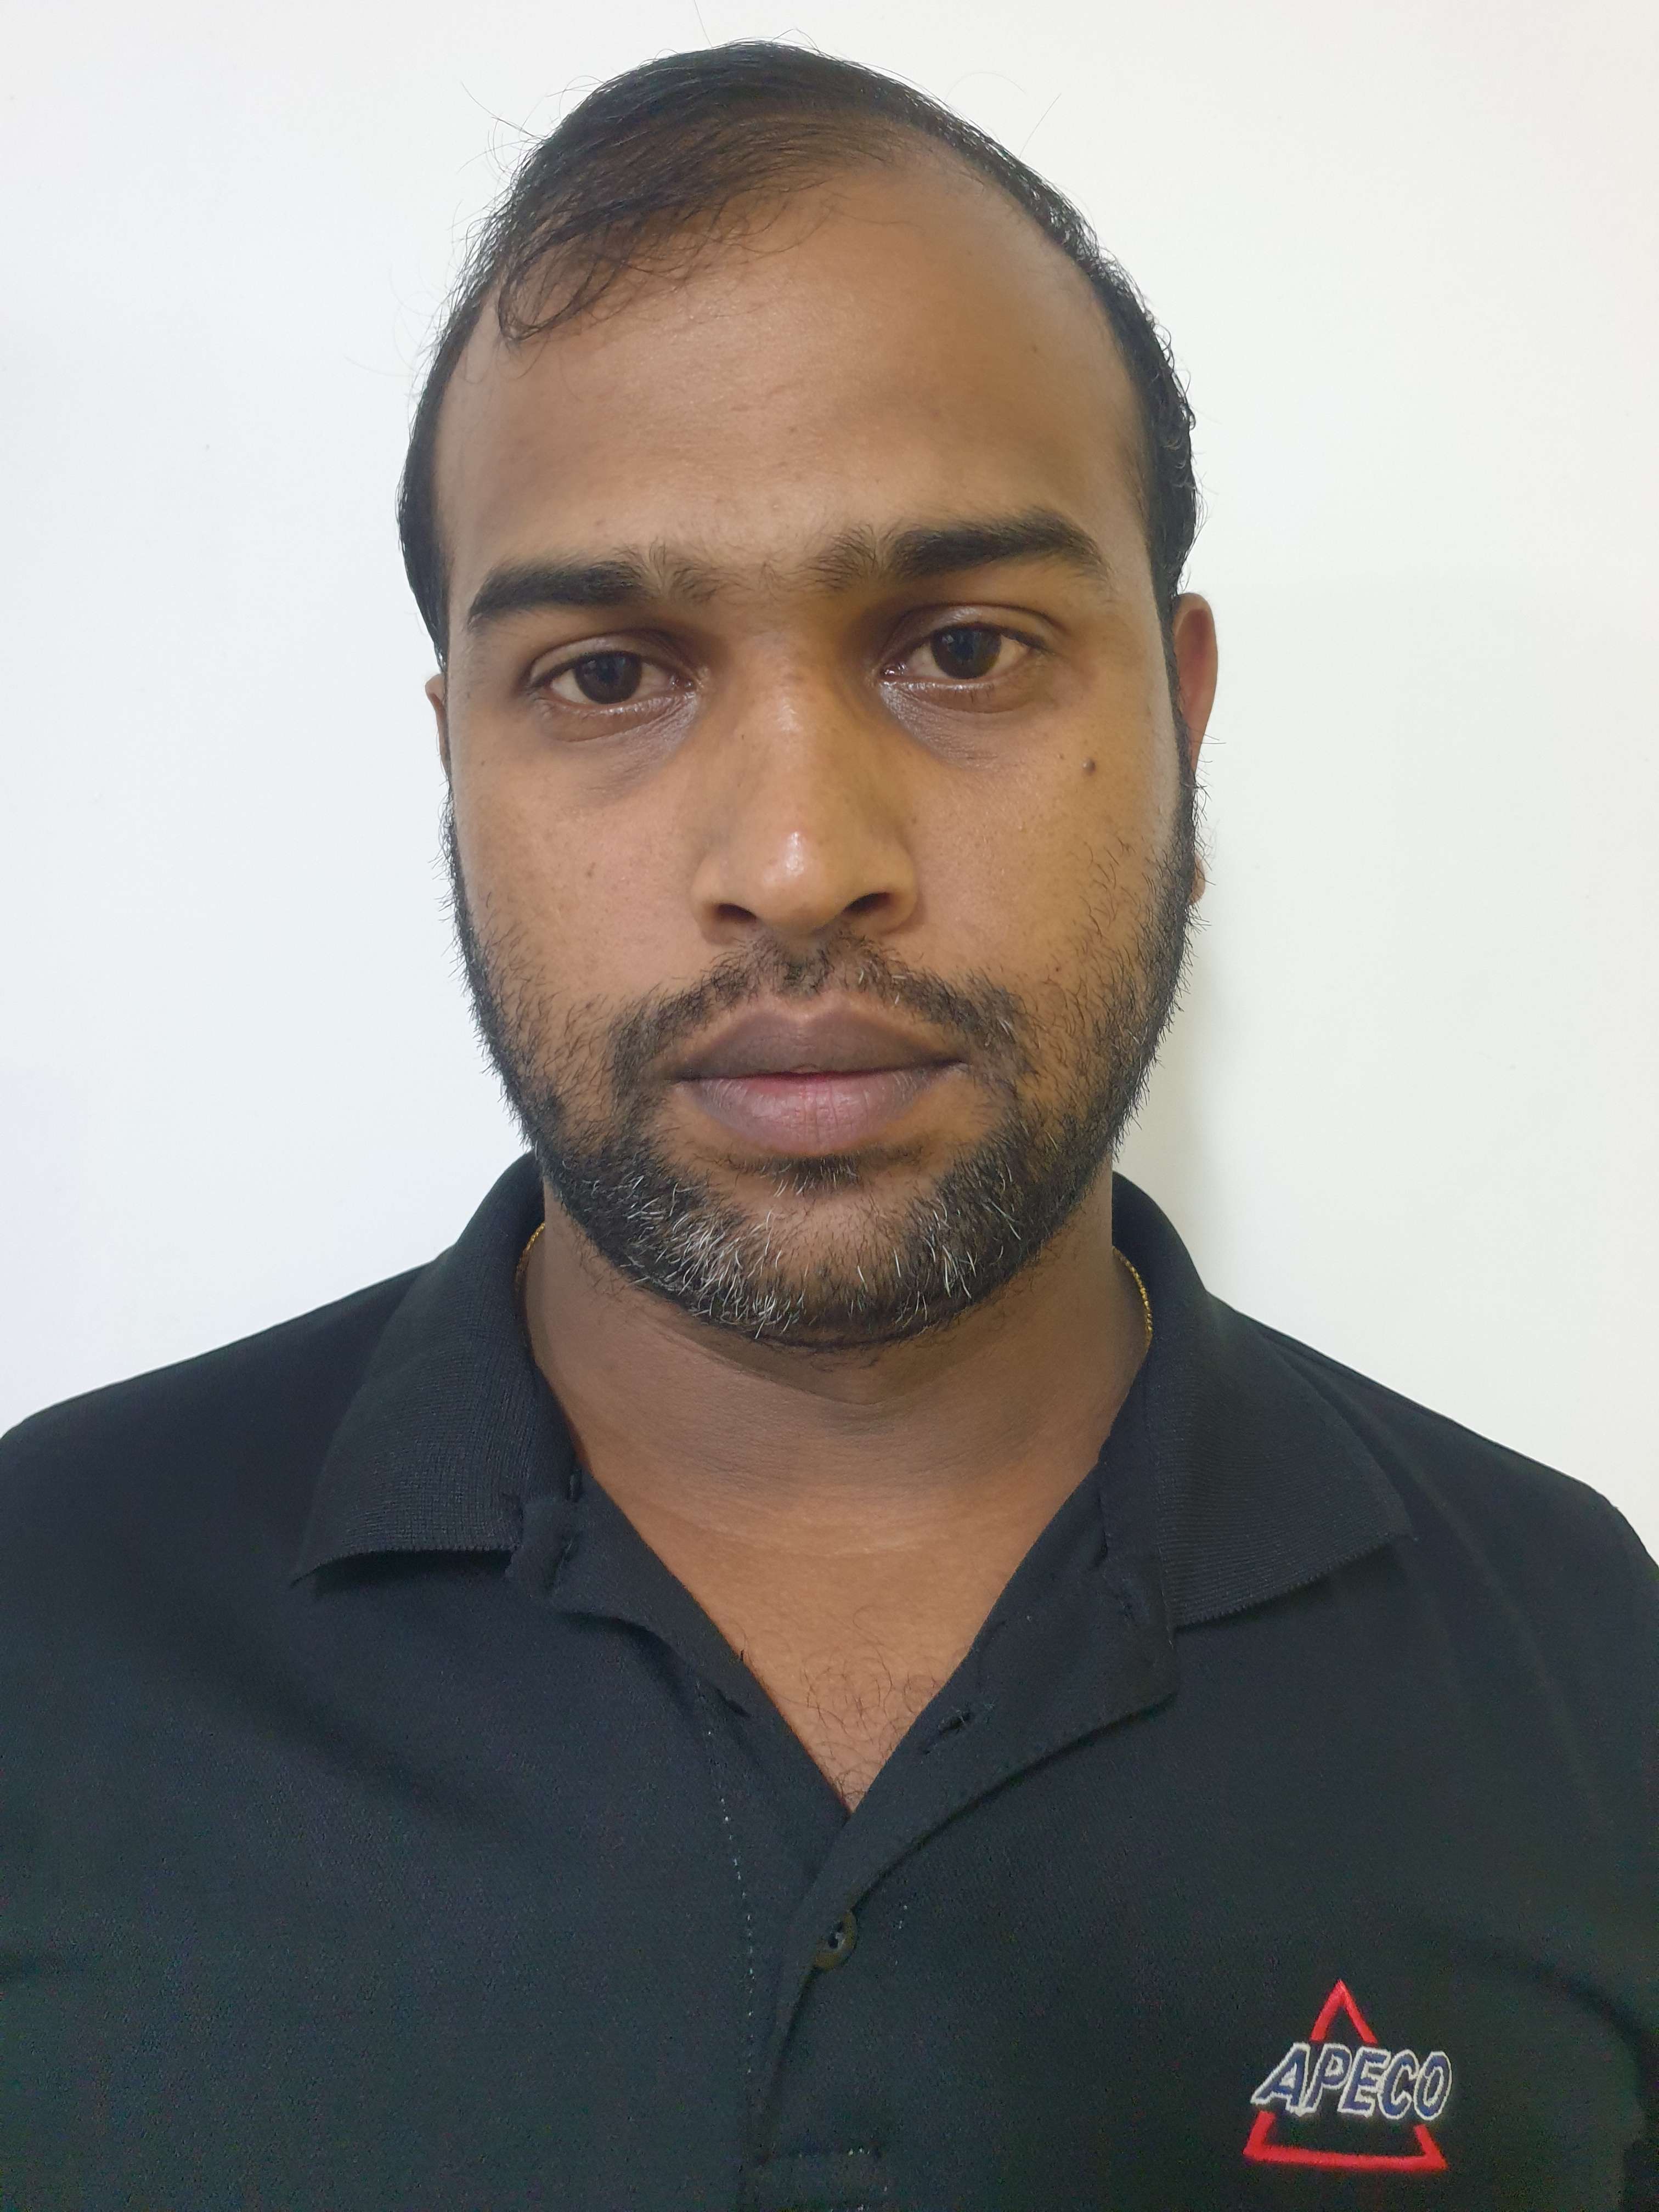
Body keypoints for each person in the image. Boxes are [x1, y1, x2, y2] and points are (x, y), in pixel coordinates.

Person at [2, 41, 1654, 2212]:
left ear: (1183, 723)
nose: (797, 862)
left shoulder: (1585, 1663)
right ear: (455, 760)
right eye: (609, 672)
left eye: (961, 648)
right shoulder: (46, 1620)